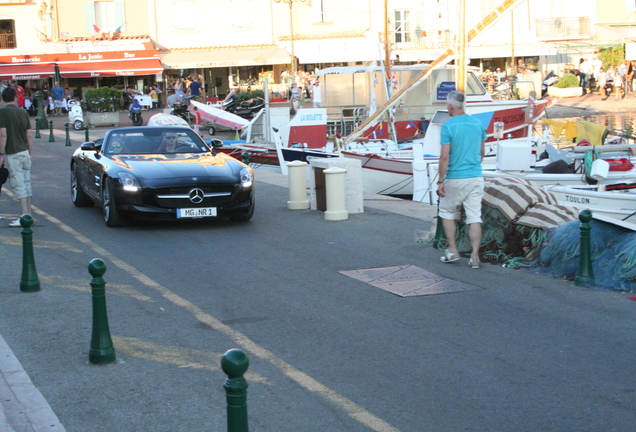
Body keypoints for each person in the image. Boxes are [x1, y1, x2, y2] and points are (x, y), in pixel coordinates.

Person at [437, 90, 486, 269]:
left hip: (455, 177)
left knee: (447, 213)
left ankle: (453, 250)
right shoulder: (477, 124)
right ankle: (474, 257)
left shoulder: (448, 126)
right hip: (475, 176)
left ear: (450, 106)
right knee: (474, 217)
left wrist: (440, 180)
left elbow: (444, 157)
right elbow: (482, 152)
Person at [0, 86, 33, 227]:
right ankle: (29, 214)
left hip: (12, 152)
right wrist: (30, 153)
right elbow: (29, 135)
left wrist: (1, 153)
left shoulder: (2, 113)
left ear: (2, 98)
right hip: (25, 152)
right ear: (15, 97)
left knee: (18, 184)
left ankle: (24, 215)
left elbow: (3, 134)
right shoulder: (23, 112)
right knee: (26, 182)